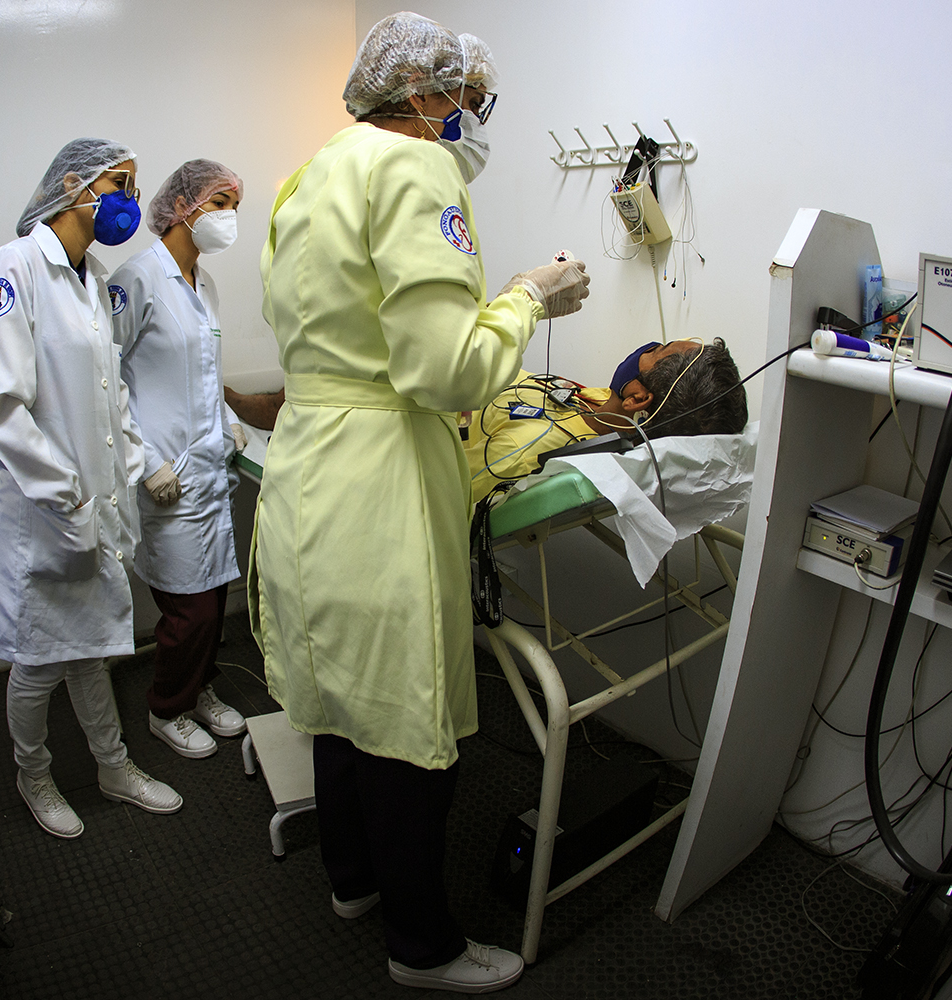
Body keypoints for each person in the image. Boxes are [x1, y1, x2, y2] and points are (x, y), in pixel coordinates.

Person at [251, 12, 591, 994]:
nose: (476, 122)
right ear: (431, 96)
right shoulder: (417, 169)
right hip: (380, 477)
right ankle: (424, 946)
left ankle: (355, 881)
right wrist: (529, 295)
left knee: (340, 699)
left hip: (307, 463)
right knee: (403, 713)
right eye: (474, 102)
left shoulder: (310, 174)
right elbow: (447, 372)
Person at [0, 137, 182, 840]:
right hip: (48, 511)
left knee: (90, 647)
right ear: (75, 186)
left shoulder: (91, 277)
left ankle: (112, 766)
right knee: (40, 661)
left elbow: (109, 393)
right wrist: (67, 495)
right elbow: (1, 405)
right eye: (121, 183)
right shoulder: (17, 267)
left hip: (97, 501)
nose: (129, 198)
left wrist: (136, 463)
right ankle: (33, 775)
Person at [108, 159, 258, 760]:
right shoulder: (137, 280)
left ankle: (200, 689)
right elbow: (105, 377)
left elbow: (202, 374)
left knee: (214, 595)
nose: (229, 218)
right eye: (220, 202)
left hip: (207, 468)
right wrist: (143, 461)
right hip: (165, 474)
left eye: (234, 206)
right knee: (185, 608)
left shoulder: (205, 286)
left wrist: (229, 419)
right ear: (184, 207)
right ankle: (165, 708)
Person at [465, 338, 749, 501]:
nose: (647, 347)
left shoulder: (521, 452)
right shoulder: (603, 407)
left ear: (637, 400)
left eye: (658, 350)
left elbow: (445, 496)